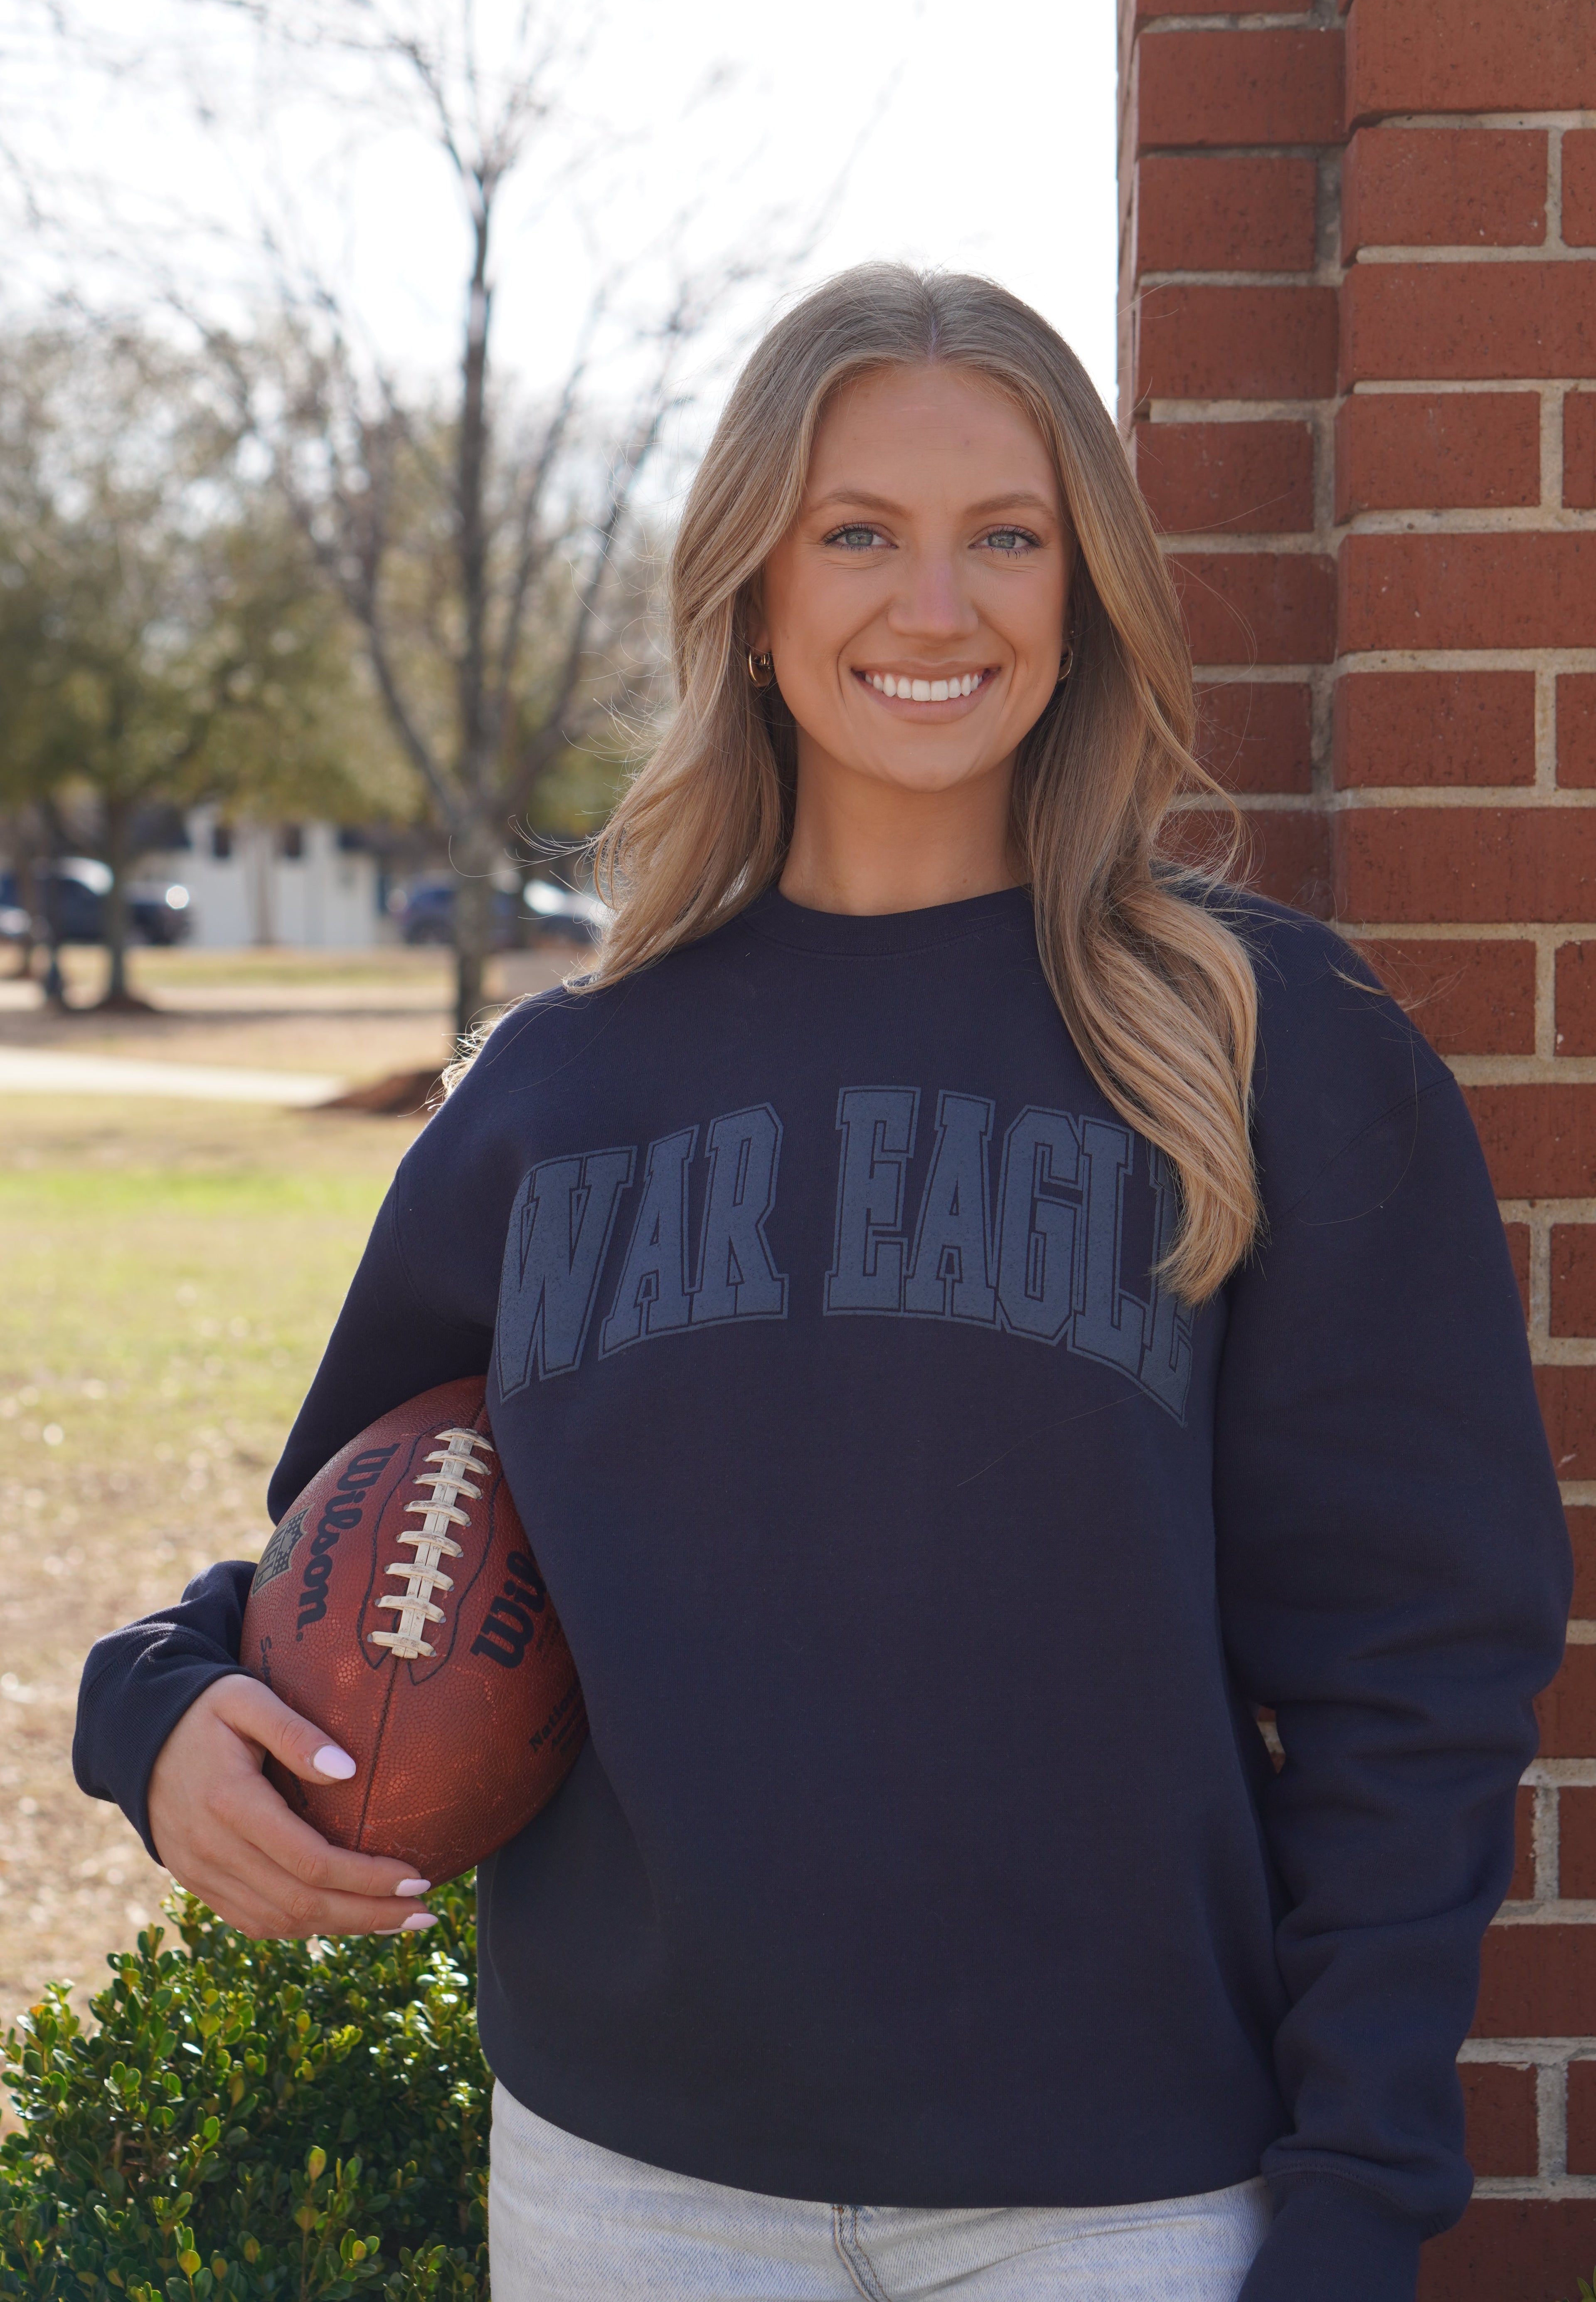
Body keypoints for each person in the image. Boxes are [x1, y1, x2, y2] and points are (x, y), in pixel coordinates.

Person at [76, 266, 1569, 2302]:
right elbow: (372, 1522)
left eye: (1007, 538)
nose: (934, 608)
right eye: (858, 532)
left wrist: (1358, 2194)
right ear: (752, 594)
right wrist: (153, 1714)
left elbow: (1423, 1661)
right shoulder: (566, 1083)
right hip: (630, 2191)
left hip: (1128, 2205)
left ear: (1089, 587)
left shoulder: (1262, 1044)